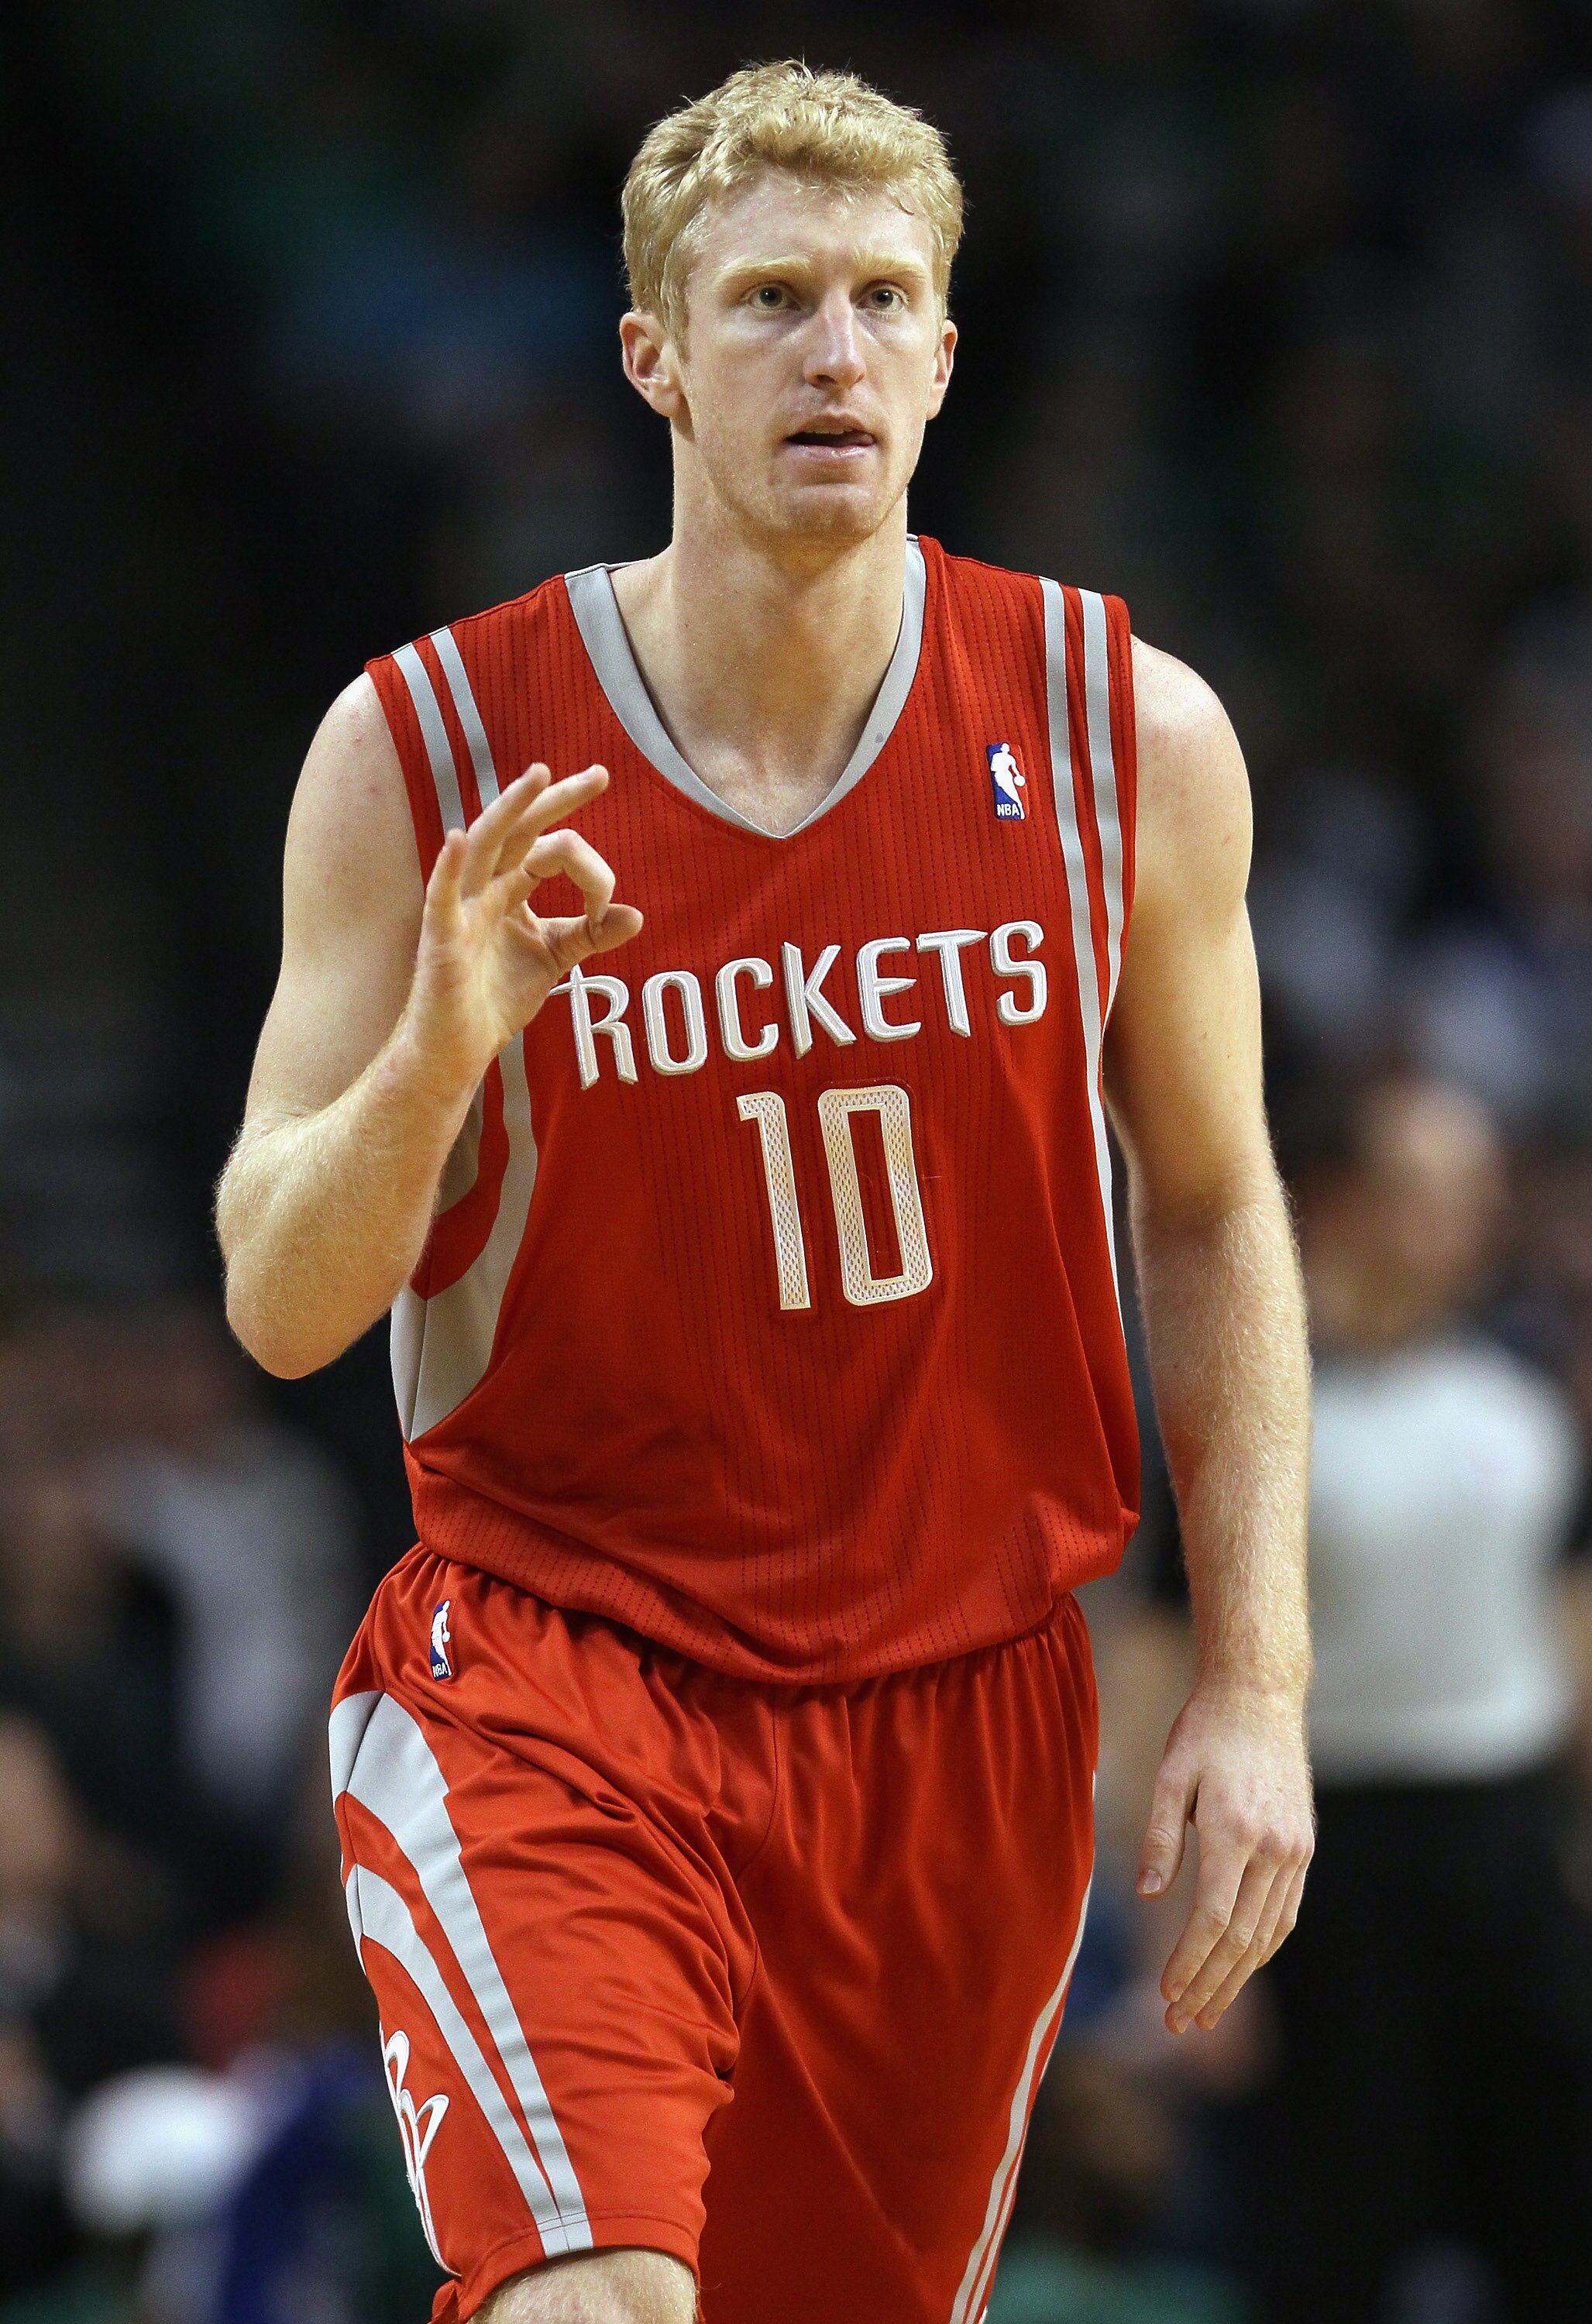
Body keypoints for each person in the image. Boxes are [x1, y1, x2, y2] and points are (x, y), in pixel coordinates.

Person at [215, 62, 1314, 2324]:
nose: (831, 352)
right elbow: (277, 1300)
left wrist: (1261, 1680)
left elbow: (1209, 1206)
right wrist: (445, 1041)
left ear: (942, 353)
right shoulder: (427, 751)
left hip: (965, 1719)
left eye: (881, 300)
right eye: (767, 301)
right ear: (650, 356)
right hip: (561, 1671)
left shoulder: (1129, 736)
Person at [1241, 1073, 1592, 2320]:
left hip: (1509, 1843)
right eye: (1427, 1188)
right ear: (1332, 1198)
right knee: (1341, 2226)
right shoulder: (1255, 1412)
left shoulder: (1522, 1397)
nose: (1466, 1218)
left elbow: (1569, 1629)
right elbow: (1168, 1672)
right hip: (1334, 1859)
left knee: (1559, 2214)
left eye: (1477, 1191)